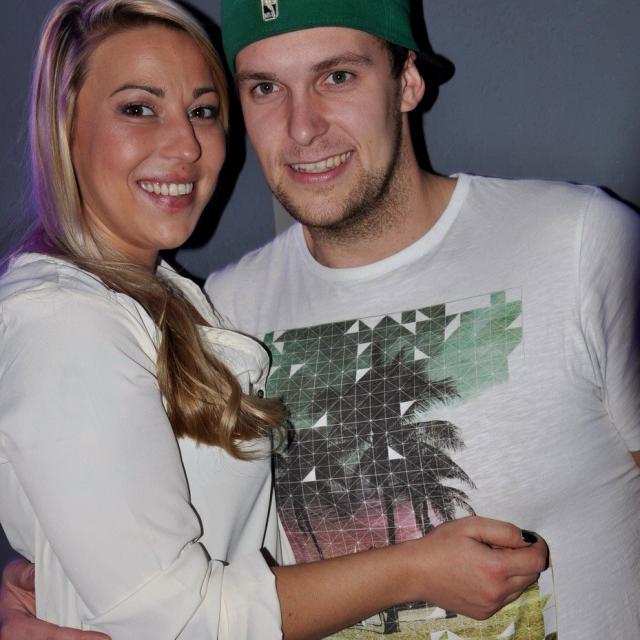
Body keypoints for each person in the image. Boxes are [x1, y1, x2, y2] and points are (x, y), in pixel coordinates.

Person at [0, 1, 550, 639]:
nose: (185, 146)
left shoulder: (191, 303)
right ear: (64, 126)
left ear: (407, 81)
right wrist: (418, 570)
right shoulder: (67, 318)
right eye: (139, 109)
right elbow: (172, 615)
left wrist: (51, 571)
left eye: (202, 111)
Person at [206, 0, 639, 638]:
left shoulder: (581, 244)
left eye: (337, 77)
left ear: (407, 82)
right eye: (266, 88)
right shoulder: (221, 311)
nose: (302, 128)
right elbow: (199, 582)